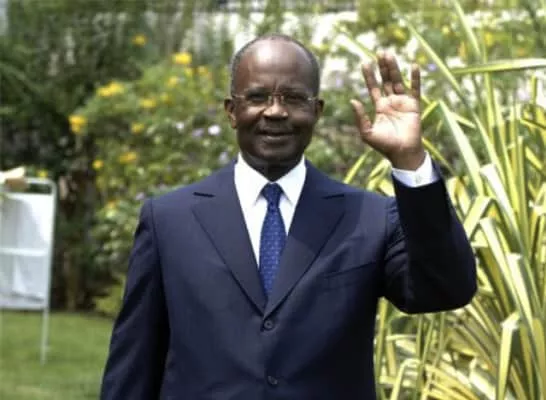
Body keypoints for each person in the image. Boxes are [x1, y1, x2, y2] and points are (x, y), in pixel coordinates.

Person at [100, 34, 476, 399]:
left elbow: (445, 289)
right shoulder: (169, 221)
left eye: (294, 98)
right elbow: (134, 364)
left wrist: (410, 161)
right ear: (231, 111)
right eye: (257, 97)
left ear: (317, 111)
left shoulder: (370, 218)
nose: (275, 111)